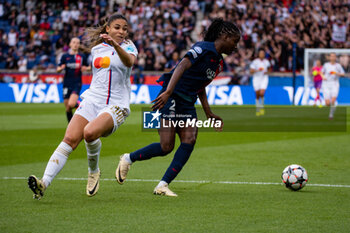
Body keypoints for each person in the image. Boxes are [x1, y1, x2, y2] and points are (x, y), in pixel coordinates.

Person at [115, 18, 241, 197]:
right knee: (166, 146)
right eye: (235, 41)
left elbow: (201, 85)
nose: (235, 47)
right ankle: (128, 158)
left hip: (188, 102)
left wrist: (209, 113)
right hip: (172, 96)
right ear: (225, 36)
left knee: (190, 140)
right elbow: (181, 66)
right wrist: (167, 92)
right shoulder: (203, 48)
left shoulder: (219, 63)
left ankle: (162, 185)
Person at [27, 14, 138, 200]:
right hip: (92, 100)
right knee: (69, 138)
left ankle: (93, 171)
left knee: (89, 133)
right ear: (107, 29)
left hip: (116, 104)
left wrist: (116, 45)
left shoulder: (129, 46)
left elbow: (129, 62)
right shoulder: (96, 50)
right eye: (117, 27)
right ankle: (43, 183)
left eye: (125, 28)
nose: (121, 31)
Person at [57, 37, 90, 123]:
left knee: (71, 104)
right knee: (68, 108)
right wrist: (60, 69)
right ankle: (71, 126)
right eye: (74, 42)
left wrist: (86, 68)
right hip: (66, 83)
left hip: (77, 83)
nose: (75, 44)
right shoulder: (65, 56)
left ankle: (83, 106)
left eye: (77, 43)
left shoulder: (82, 56)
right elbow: (58, 68)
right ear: (70, 44)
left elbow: (89, 67)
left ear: (79, 45)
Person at [321, 53, 345, 120]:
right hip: (326, 84)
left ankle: (331, 115)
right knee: (327, 103)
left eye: (334, 56)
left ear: (335, 58)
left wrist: (336, 73)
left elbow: (343, 74)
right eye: (331, 56)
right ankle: (329, 109)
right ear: (329, 57)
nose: (332, 57)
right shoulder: (326, 65)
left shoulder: (338, 66)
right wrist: (323, 77)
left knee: (333, 101)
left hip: (334, 83)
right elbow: (321, 72)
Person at [249, 48, 271, 116]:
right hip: (256, 78)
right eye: (261, 53)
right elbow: (251, 71)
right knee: (257, 94)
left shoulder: (266, 62)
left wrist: (267, 72)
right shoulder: (255, 62)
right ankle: (258, 108)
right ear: (258, 54)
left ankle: (262, 107)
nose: (262, 55)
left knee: (262, 93)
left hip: (264, 78)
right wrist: (257, 70)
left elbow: (269, 69)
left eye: (263, 53)